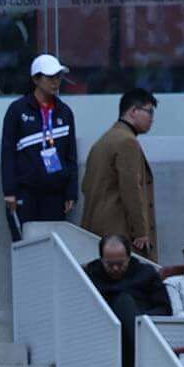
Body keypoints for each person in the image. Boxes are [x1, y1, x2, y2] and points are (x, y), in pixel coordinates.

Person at [75, 88, 157, 257]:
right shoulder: (127, 142)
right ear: (133, 111)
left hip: (96, 233)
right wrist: (141, 231)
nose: (152, 119)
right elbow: (131, 190)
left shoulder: (103, 141)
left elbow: (87, 186)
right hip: (120, 237)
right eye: (149, 112)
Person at [0, 55, 77, 230]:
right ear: (36, 79)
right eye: (50, 77)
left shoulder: (64, 112)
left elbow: (71, 154)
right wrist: (9, 191)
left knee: (53, 245)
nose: (56, 82)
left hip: (55, 194)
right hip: (25, 192)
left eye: (58, 77)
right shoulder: (17, 110)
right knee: (25, 244)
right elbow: (8, 152)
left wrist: (71, 192)